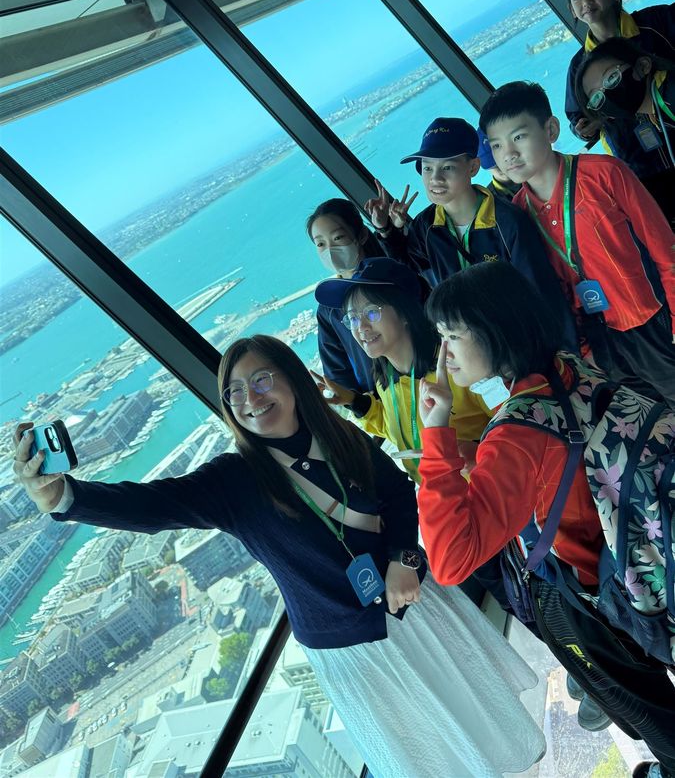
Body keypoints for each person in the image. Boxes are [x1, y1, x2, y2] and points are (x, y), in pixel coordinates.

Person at [13, 335, 546, 778]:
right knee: (432, 753)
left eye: (262, 379)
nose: (249, 398)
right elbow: (153, 506)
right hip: (353, 650)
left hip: (415, 608)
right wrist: (65, 497)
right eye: (234, 391)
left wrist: (405, 559)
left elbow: (399, 498)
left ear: (292, 380)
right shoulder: (234, 480)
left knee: (474, 721)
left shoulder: (339, 436)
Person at [416, 261, 675, 778]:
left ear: (495, 329)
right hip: (637, 555)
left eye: (452, 335)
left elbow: (449, 560)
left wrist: (436, 433)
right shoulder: (566, 368)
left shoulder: (516, 435)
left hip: (595, 597)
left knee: (650, 710)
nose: (442, 352)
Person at [480, 79, 675, 407]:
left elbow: (665, 249)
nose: (508, 154)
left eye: (519, 137)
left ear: (551, 129)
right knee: (650, 424)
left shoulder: (605, 174)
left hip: (652, 321)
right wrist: (583, 354)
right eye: (497, 145)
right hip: (598, 345)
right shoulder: (516, 215)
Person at [365, 117, 579, 352]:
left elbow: (543, 291)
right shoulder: (427, 226)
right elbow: (409, 270)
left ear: (473, 167)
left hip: (523, 343)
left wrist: (567, 354)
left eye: (447, 167)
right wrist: (386, 231)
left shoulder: (506, 221)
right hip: (473, 349)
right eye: (427, 168)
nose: (435, 178)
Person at [311, 257, 492, 484]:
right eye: (353, 318)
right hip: (439, 497)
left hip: (491, 492)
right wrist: (354, 401)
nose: (361, 327)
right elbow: (399, 428)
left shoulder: (457, 365)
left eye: (372, 313)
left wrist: (478, 451)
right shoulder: (386, 378)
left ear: (404, 311)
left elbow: (515, 420)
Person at [565, 0, 675, 202]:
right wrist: (584, 129)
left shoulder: (654, 23)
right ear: (572, 9)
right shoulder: (579, 66)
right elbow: (577, 115)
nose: (586, 1)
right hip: (639, 170)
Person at [574, 37, 675, 225]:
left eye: (612, 78)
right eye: (597, 97)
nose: (607, 94)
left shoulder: (670, 94)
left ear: (643, 66)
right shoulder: (656, 111)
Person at [307, 198, 385, 393]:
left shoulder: (389, 279)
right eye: (320, 243)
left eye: (338, 238)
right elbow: (337, 373)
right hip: (379, 404)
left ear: (361, 235)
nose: (330, 250)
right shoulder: (328, 308)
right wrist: (361, 403)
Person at [477, 127, 519, 199]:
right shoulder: (486, 200)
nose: (501, 167)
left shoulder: (535, 175)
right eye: (495, 165)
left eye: (503, 160)